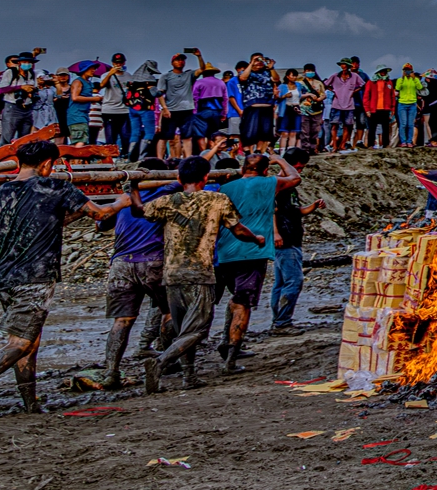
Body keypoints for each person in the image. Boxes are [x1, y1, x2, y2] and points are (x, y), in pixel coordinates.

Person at [0, 141, 132, 412]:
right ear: (47, 164)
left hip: (5, 277)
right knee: (20, 343)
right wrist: (122, 201)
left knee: (28, 342)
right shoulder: (56, 187)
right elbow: (100, 213)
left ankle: (29, 403)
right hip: (35, 277)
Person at [135, 153, 264, 392]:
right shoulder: (217, 200)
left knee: (184, 328)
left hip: (172, 274)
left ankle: (189, 375)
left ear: (179, 177)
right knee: (198, 329)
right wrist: (256, 239)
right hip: (199, 273)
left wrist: (132, 188)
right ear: (205, 177)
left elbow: (140, 210)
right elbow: (238, 230)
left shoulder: (168, 201)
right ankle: (160, 362)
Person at [212, 149, 301, 372]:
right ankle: (231, 357)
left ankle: (226, 342)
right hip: (253, 250)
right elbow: (295, 178)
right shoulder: (268, 183)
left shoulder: (225, 187)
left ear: (243, 168)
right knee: (242, 303)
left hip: (224, 252)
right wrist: (280, 159)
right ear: (264, 170)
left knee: (231, 300)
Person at [97, 161, 172, 388]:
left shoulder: (124, 197)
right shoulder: (167, 191)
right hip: (154, 261)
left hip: (121, 264)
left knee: (122, 320)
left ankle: (111, 371)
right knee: (169, 311)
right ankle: (166, 362)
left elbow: (102, 224)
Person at [269, 148, 322, 333]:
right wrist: (275, 233)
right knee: (294, 280)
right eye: (296, 168)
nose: (298, 172)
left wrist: (311, 207)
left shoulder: (289, 188)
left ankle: (279, 320)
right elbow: (270, 211)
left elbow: (294, 210)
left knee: (281, 282)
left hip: (290, 236)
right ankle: (282, 322)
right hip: (285, 238)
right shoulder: (277, 184)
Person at [157, 51, 203, 160]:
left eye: (182, 60)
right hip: (171, 109)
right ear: (172, 62)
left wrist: (199, 56)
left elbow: (202, 69)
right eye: (178, 60)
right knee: (164, 137)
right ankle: (159, 160)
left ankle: (188, 159)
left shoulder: (188, 75)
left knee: (187, 137)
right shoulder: (166, 76)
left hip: (186, 109)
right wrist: (165, 108)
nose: (180, 62)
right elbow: (160, 94)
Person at [236, 53, 278, 151]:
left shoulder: (267, 72)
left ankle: (260, 151)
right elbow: (243, 78)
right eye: (257, 60)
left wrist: (271, 68)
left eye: (261, 60)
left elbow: (276, 79)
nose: (259, 62)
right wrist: (251, 64)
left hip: (267, 105)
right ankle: (249, 152)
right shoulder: (246, 72)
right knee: (250, 131)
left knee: (265, 132)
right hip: (252, 106)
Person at [325, 58, 364, 152]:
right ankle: (334, 145)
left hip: (349, 104)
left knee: (347, 126)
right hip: (337, 104)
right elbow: (326, 84)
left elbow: (362, 84)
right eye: (342, 65)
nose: (344, 66)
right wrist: (333, 90)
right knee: (335, 125)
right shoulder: (335, 76)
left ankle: (342, 144)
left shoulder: (354, 76)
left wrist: (354, 91)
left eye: (345, 65)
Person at [364, 68, 398, 148]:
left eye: (385, 71)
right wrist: (367, 109)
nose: (383, 73)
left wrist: (392, 108)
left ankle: (386, 144)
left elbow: (392, 96)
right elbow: (366, 96)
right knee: (372, 128)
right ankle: (371, 145)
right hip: (373, 108)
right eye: (382, 71)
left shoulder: (389, 82)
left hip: (385, 108)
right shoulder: (371, 82)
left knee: (386, 128)